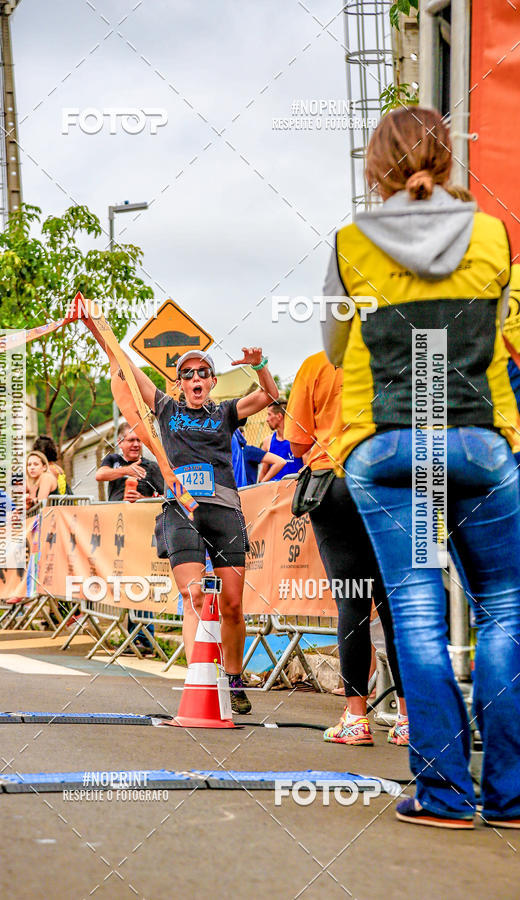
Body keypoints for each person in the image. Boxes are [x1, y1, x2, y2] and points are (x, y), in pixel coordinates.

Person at [324, 106, 520, 828]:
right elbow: (508, 332)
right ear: (447, 158)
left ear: (375, 167)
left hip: (384, 446)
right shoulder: (495, 235)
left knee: (415, 612)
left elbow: (338, 348)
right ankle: (510, 794)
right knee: (507, 608)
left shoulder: (351, 243)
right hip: (478, 441)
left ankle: (442, 794)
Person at [126, 346, 279, 714]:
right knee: (194, 595)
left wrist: (260, 364)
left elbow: (270, 396)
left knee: (232, 604)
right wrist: (99, 329)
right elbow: (129, 371)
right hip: (181, 510)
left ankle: (235, 678)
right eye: (188, 374)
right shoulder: (166, 408)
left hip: (224, 512)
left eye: (202, 372)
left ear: (212, 381)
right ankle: (200, 678)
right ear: (179, 383)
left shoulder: (226, 412)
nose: (195, 378)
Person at [285, 351, 408, 746]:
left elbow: (297, 443)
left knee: (353, 603)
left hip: (335, 483)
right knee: (395, 605)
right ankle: (410, 720)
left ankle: (356, 719)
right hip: (392, 484)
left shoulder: (317, 364)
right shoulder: (402, 357)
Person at [96, 422, 164, 502]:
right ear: (120, 442)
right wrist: (126, 471)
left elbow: (165, 497)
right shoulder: (113, 459)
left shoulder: (151, 466)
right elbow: (99, 475)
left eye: (138, 440)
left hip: (141, 512)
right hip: (116, 512)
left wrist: (142, 499)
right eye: (131, 440)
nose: (136, 444)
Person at [259, 401, 303, 480]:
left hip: (294, 489)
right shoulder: (267, 441)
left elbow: (307, 469)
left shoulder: (299, 439)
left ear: (279, 416)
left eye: (269, 414)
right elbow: (264, 472)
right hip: (274, 489)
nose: (267, 419)